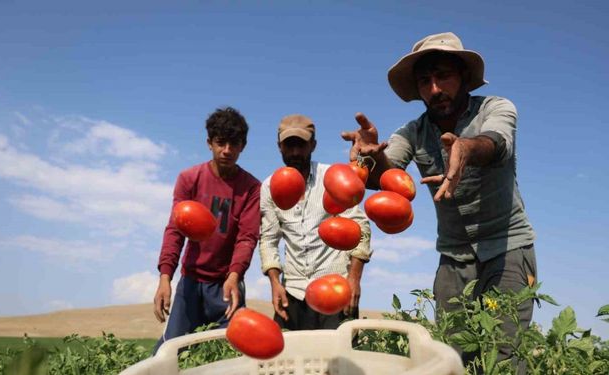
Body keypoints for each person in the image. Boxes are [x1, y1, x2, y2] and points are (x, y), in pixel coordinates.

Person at [342, 32, 537, 370]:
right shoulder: (412, 132)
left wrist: (466, 148)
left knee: (506, 356)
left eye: (443, 76)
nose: (435, 89)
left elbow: (497, 143)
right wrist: (368, 160)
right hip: (453, 256)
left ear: (463, 77)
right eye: (425, 80)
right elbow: (386, 179)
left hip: (507, 248)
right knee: (451, 356)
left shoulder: (496, 108)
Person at [152, 107, 261, 353]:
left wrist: (234, 276)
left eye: (234, 144)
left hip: (226, 284)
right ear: (209, 143)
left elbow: (247, 236)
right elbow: (175, 230)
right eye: (220, 143)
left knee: (228, 354)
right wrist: (165, 278)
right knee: (171, 351)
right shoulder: (190, 178)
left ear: (243, 146)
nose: (227, 151)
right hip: (190, 282)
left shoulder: (251, 188)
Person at [259, 114, 372, 330]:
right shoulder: (269, 187)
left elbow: (360, 227)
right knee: (289, 360)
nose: (294, 152)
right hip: (292, 292)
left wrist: (354, 279)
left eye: (301, 145)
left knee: (339, 359)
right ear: (279, 147)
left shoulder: (332, 177)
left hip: (335, 289)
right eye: (288, 145)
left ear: (313, 145)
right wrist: (274, 283)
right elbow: (268, 239)